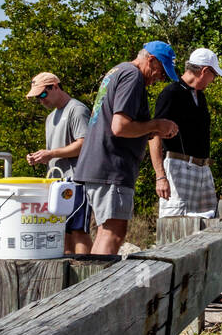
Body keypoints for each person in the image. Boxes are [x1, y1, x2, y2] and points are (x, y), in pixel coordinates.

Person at [148, 47, 222, 309]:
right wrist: (159, 176)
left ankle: (207, 289)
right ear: (204, 71)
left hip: (201, 167)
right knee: (175, 227)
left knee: (207, 227)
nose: (213, 81)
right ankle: (169, 292)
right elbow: (154, 134)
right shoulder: (171, 93)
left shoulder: (200, 96)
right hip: (177, 164)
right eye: (213, 75)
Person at [73, 42, 179, 254]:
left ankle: (95, 283)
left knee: (106, 230)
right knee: (114, 231)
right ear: (151, 60)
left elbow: (117, 123)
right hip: (111, 166)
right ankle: (99, 285)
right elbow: (120, 127)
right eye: (160, 71)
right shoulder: (133, 76)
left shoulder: (117, 71)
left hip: (97, 164)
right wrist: (157, 124)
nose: (159, 78)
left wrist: (149, 131)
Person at [24, 72, 92, 254]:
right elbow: (53, 150)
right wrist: (38, 157)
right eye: (37, 98)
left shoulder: (76, 109)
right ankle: (69, 277)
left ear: (55, 86)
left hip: (76, 181)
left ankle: (86, 274)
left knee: (78, 229)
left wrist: (51, 153)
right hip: (56, 184)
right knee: (61, 231)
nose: (41, 101)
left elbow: (84, 144)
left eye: (43, 95)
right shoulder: (50, 117)